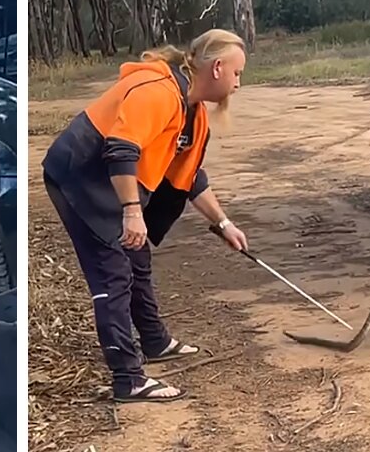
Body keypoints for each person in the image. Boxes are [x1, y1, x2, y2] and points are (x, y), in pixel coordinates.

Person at [41, 28, 250, 403]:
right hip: (78, 176)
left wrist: (224, 224)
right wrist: (132, 212)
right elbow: (121, 149)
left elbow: (188, 178)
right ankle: (128, 378)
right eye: (237, 73)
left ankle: (154, 342)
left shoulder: (192, 110)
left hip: (110, 181)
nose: (239, 83)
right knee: (113, 273)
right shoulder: (158, 92)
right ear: (217, 68)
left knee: (137, 257)